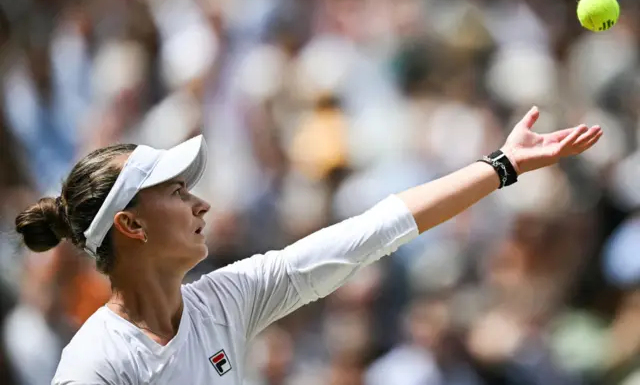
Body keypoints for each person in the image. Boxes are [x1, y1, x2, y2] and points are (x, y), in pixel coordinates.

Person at [14, 107, 602, 385]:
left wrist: (501, 166)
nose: (201, 204)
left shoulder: (226, 301)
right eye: (176, 192)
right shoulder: (95, 363)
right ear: (132, 227)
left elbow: (376, 229)